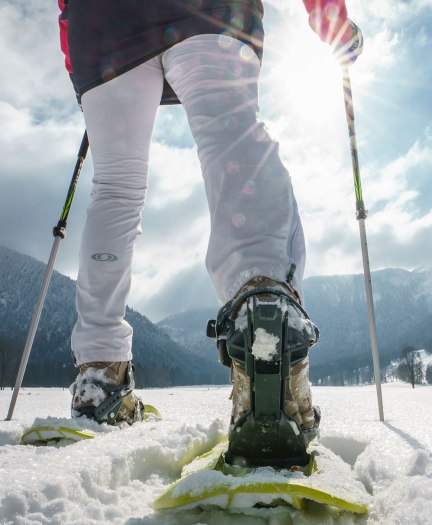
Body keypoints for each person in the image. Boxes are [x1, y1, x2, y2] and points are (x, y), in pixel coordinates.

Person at [58, 0, 362, 429]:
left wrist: (78, 47)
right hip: (209, 11)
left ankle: (100, 376)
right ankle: (266, 331)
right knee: (233, 138)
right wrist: (331, 19)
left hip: (105, 25)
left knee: (115, 186)